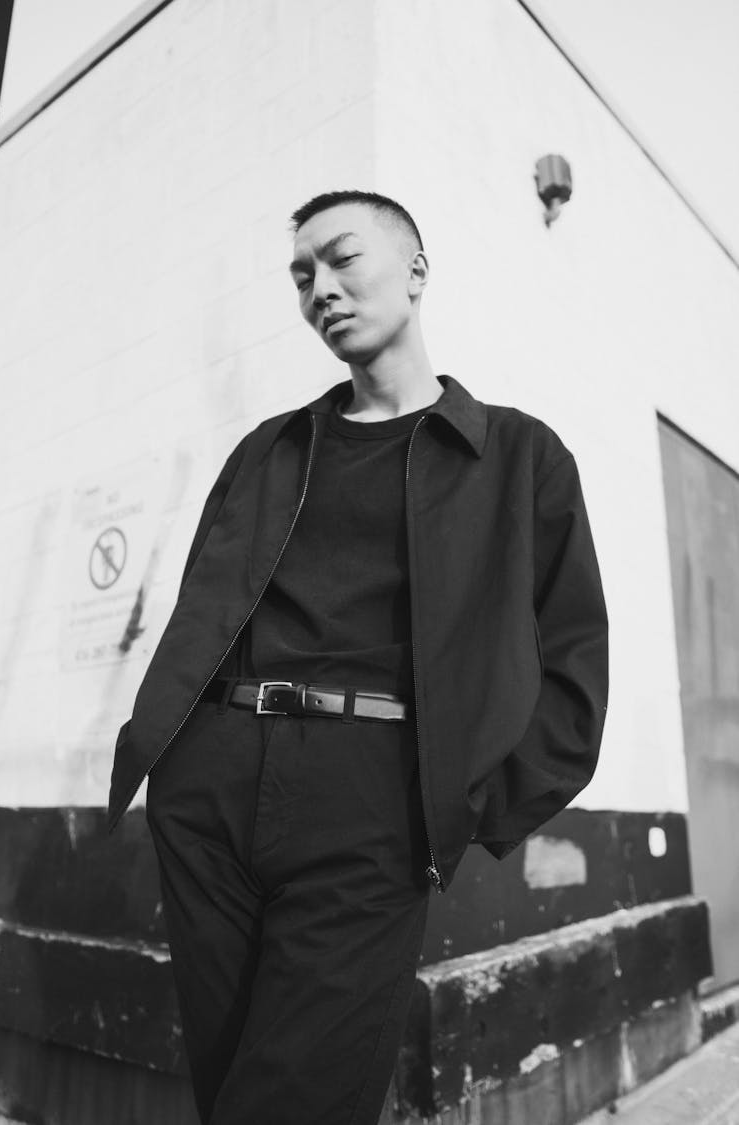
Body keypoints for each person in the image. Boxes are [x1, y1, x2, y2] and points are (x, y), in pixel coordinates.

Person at [107, 189, 608, 1125]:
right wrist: (174, 760)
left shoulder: (518, 457)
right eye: (302, 277)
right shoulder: (269, 450)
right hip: (209, 785)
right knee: (229, 1087)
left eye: (343, 259)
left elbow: (576, 668)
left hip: (373, 800)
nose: (320, 290)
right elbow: (204, 611)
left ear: (416, 273)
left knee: (294, 1100)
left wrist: (451, 808)